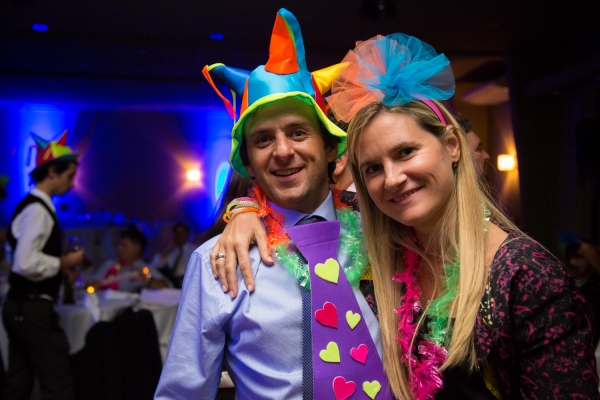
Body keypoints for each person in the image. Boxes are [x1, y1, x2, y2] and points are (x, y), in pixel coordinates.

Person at [212, 33, 599, 398]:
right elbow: (301, 197)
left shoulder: (527, 278)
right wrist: (247, 209)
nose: (393, 180)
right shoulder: (387, 253)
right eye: (373, 169)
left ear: (451, 146)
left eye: (405, 152)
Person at [155, 9, 392, 399]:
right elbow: (183, 392)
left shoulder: (382, 229)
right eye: (263, 140)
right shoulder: (216, 262)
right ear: (247, 161)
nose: (283, 151)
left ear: (332, 147)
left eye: (298, 132)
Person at [2, 130, 84, 400]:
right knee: (57, 380)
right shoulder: (38, 209)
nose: (72, 184)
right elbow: (25, 263)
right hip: (33, 307)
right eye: (69, 175)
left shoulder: (34, 206)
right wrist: (64, 262)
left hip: (21, 306)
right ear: (52, 173)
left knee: (20, 380)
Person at [90, 225, 169, 292]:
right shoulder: (109, 265)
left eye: (124, 245)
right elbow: (90, 284)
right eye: (120, 245)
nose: (119, 248)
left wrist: (148, 280)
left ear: (137, 248)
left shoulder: (144, 269)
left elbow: (167, 287)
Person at [565, 239, 600, 346]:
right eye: (571, 258)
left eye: (579, 257)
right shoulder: (575, 280)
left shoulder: (595, 280)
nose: (572, 262)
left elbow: (587, 248)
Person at [151, 223, 196, 288]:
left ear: (187, 234)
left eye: (182, 233)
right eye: (176, 233)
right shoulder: (172, 253)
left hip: (188, 284)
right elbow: (155, 264)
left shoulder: (195, 250)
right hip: (172, 284)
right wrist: (168, 247)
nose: (179, 236)